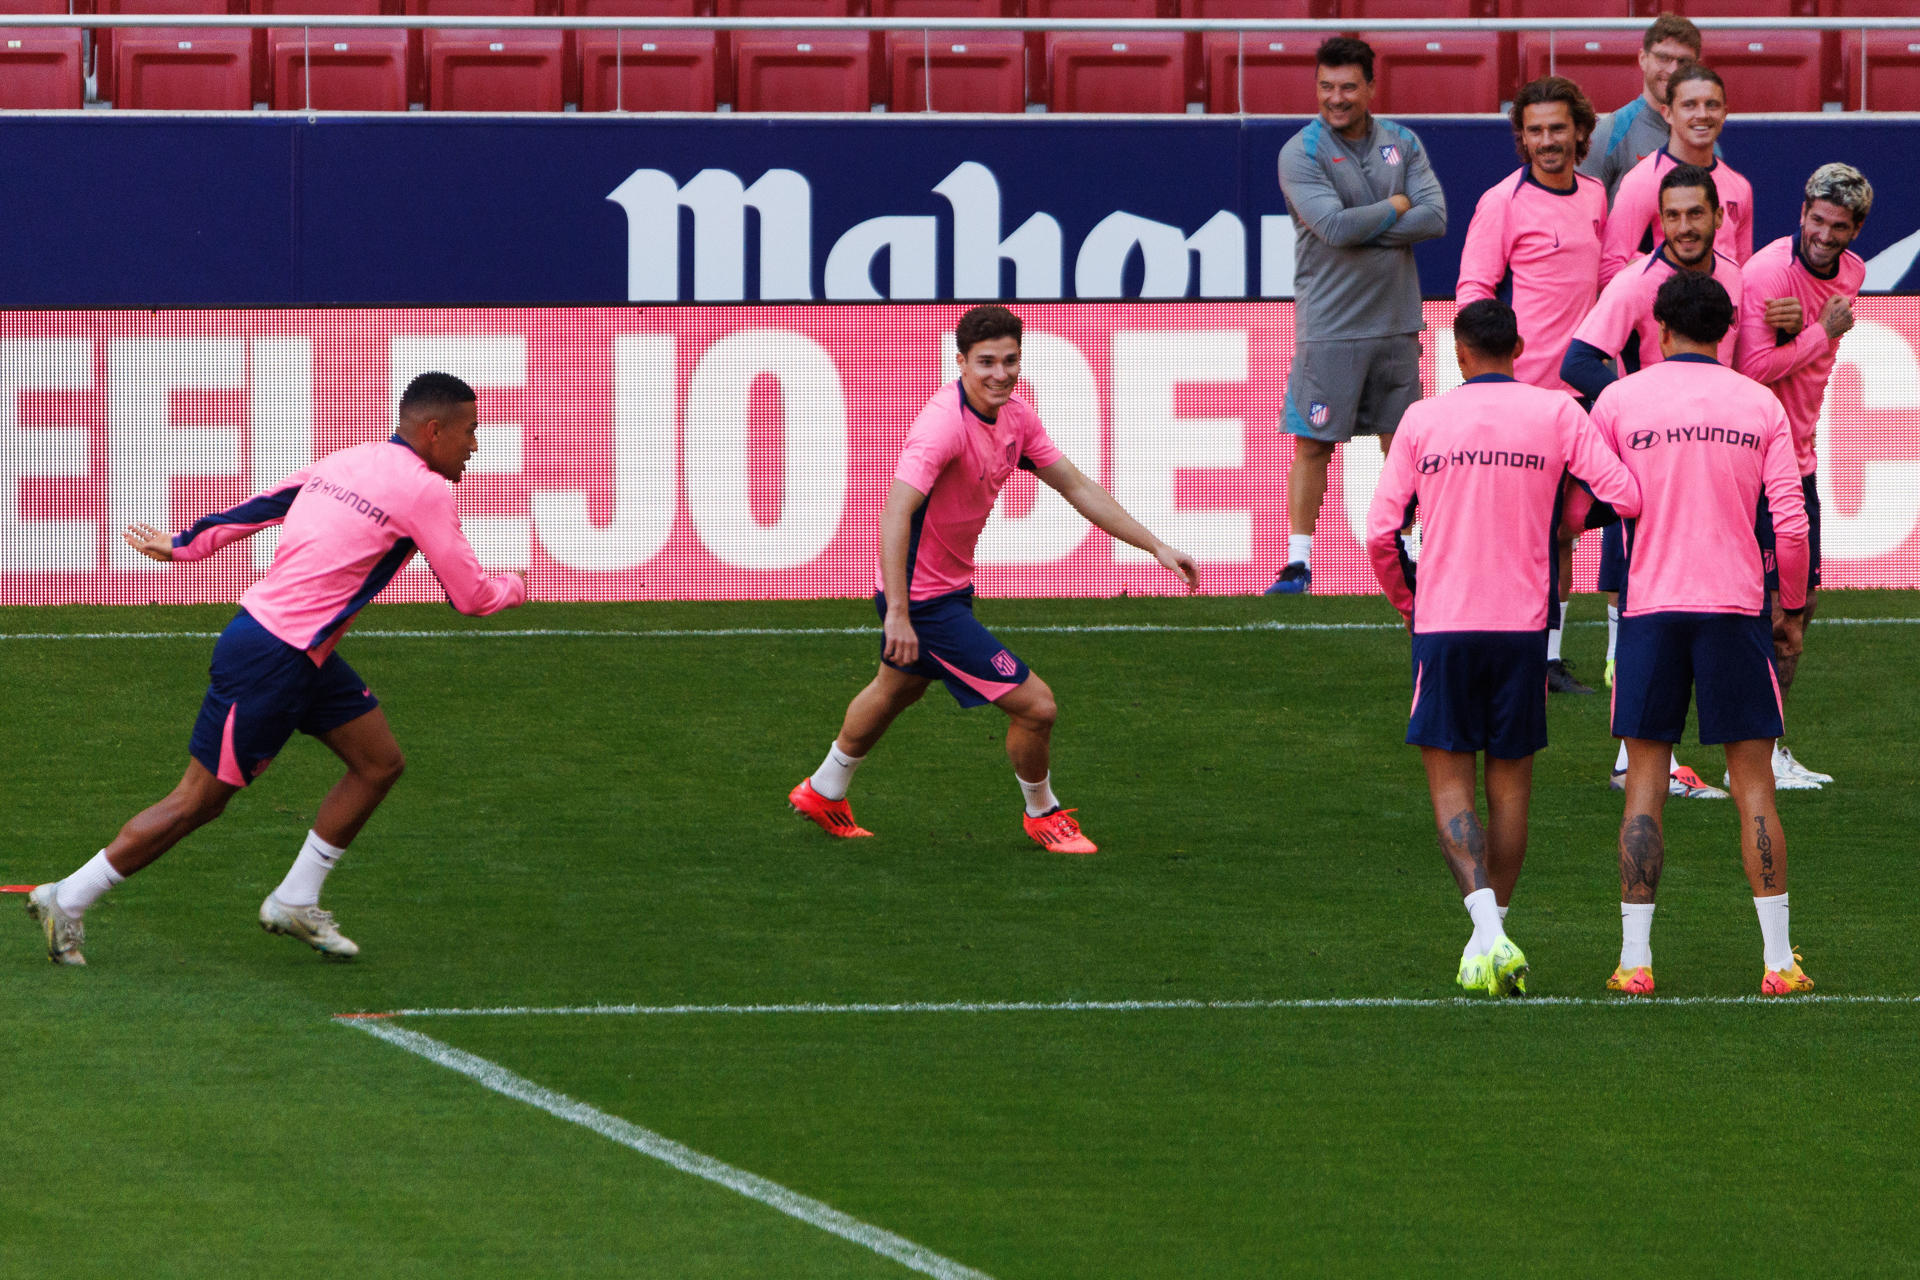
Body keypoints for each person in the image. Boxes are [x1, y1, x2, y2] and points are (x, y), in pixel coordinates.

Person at [23, 373, 528, 966]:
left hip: (297, 653)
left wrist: (187, 545)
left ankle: (296, 897)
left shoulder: (349, 459)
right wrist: (518, 586)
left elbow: (264, 506)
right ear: (434, 430)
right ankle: (70, 897)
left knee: (378, 763)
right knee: (198, 801)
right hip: (274, 660)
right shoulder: (426, 491)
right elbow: (470, 596)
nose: (475, 445)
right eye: (469, 431)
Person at [788, 304, 1198, 855]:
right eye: (985, 362)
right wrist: (900, 614)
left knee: (897, 689)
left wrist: (1155, 545)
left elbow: (1076, 487)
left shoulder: (1017, 418)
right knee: (1036, 706)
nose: (1000, 373)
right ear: (960, 362)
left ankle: (823, 790)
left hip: (948, 588)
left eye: (1010, 361)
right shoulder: (941, 426)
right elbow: (893, 514)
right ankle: (1043, 813)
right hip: (925, 603)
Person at [1367, 300, 1641, 996]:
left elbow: (1381, 533)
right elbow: (1623, 495)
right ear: (1519, 347)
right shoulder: (1555, 414)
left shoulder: (1424, 421)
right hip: (1523, 628)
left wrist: (1410, 605)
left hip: (1446, 624)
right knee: (1511, 787)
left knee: (1450, 782)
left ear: (1456, 353)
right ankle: (1493, 936)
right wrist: (1569, 515)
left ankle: (1488, 936)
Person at [1586, 271, 1812, 996]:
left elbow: (1594, 496)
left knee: (1646, 782)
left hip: (1651, 610)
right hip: (1734, 606)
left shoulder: (1620, 399)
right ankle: (1778, 964)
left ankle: (1635, 962)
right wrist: (1794, 606)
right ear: (1724, 334)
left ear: (1657, 330)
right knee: (1752, 785)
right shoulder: (1758, 403)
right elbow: (1792, 519)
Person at [1563, 164, 1744, 801]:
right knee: (1639, 607)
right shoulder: (1635, 283)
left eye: (1696, 214)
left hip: (1717, 462)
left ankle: (1654, 759)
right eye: (1672, 216)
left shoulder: (1734, 275)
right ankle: (1633, 758)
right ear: (1657, 220)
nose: (1685, 227)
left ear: (1718, 216)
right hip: (1650, 472)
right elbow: (1578, 358)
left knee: (1706, 605)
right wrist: (1640, 403)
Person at [1268, 35, 1447, 595]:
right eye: (1326, 87)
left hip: (1397, 320)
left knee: (1401, 444)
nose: (1336, 98)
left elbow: (1436, 216)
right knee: (1314, 443)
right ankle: (1298, 563)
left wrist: (1368, 220)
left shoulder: (1403, 141)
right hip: (1332, 325)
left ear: (1371, 88)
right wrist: (1397, 206)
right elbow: (1333, 229)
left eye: (1348, 87)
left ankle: (1413, 552)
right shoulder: (1301, 152)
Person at [1456, 75, 1609, 694]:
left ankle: (1547, 657)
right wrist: (1493, 370)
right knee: (1520, 531)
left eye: (1558, 128)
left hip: (1584, 391)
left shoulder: (1598, 195)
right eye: (1536, 130)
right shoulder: (1502, 202)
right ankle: (1510, 648)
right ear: (1522, 137)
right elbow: (1472, 291)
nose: (1548, 141)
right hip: (1526, 395)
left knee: (1568, 526)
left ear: (1580, 131)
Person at [1734, 163, 1873, 791]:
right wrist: (1818, 331)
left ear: (1854, 229)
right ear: (1802, 212)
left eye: (1837, 226)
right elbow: (1750, 371)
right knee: (1760, 613)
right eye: (1816, 219)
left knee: (1800, 609)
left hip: (1803, 462)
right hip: (1754, 465)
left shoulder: (1856, 272)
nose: (1823, 233)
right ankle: (1749, 755)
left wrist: (1807, 333)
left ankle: (1770, 747)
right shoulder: (1765, 273)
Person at [1599, 62, 1753, 287]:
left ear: (1724, 113)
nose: (1702, 114)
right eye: (1689, 105)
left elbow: (1742, 275)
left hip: (1723, 319)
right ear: (1668, 113)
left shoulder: (1739, 186)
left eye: (1711, 105)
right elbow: (1610, 268)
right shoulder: (1643, 180)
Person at [1580, 11, 1704, 200]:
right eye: (1663, 58)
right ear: (1643, 59)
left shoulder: (1702, 135)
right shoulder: (1610, 133)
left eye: (1684, 61)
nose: (1673, 70)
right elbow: (1580, 212)